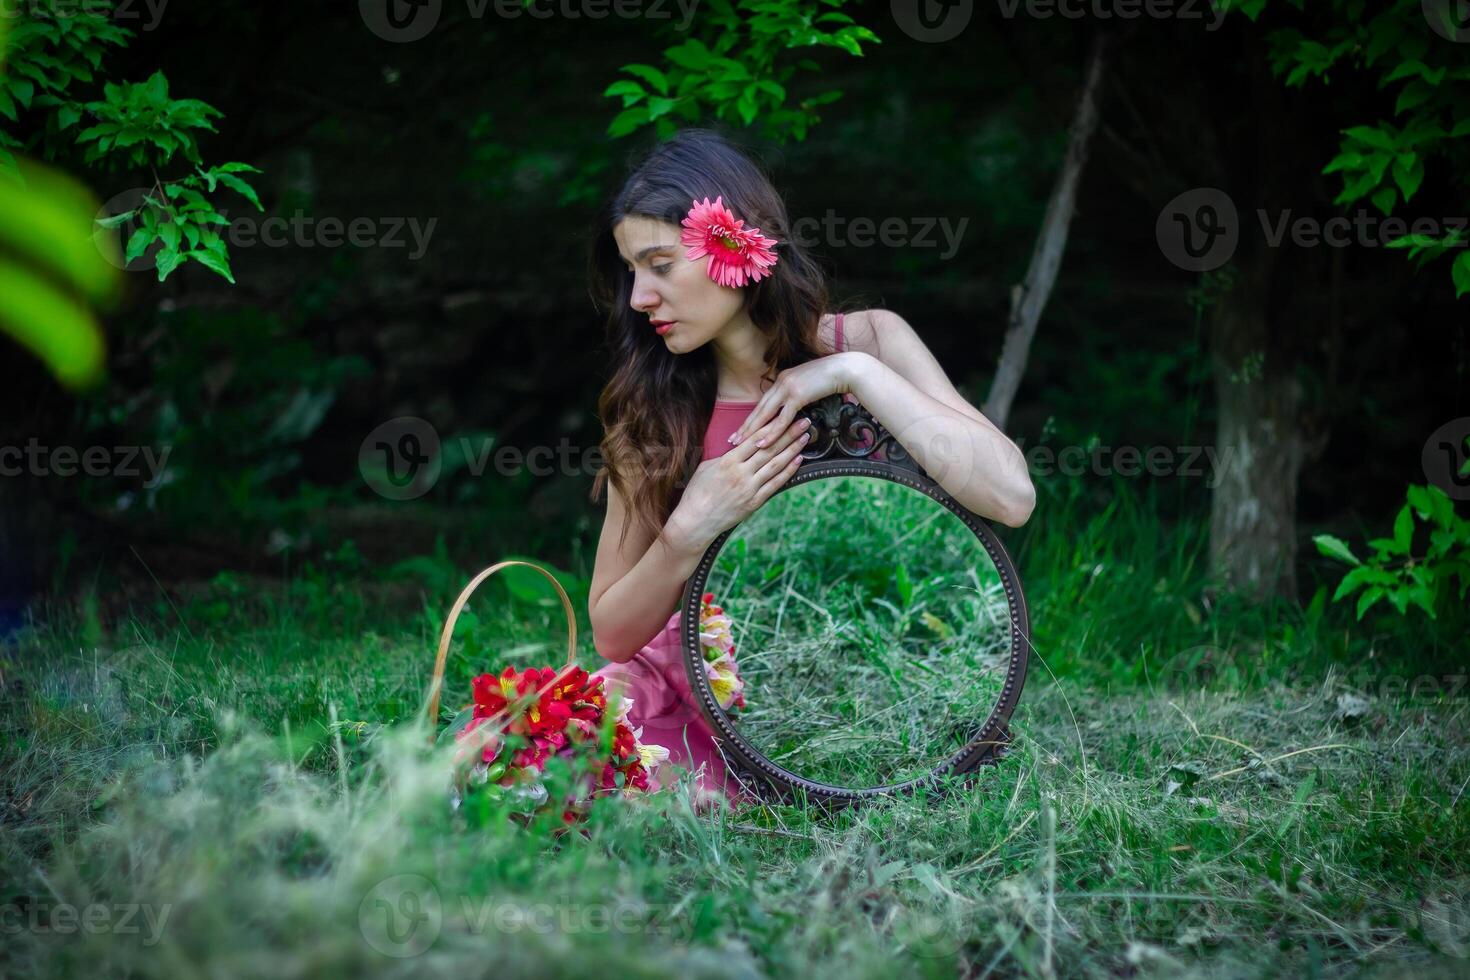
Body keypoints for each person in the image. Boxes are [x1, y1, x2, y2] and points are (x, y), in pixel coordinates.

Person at [583, 127, 1035, 812]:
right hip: (696, 686)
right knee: (545, 756)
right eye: (631, 271)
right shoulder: (653, 409)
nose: (641, 296)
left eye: (660, 264)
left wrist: (853, 373)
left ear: (731, 248)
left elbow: (1010, 496)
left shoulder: (869, 341)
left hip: (854, 682)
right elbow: (613, 634)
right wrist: (688, 531)